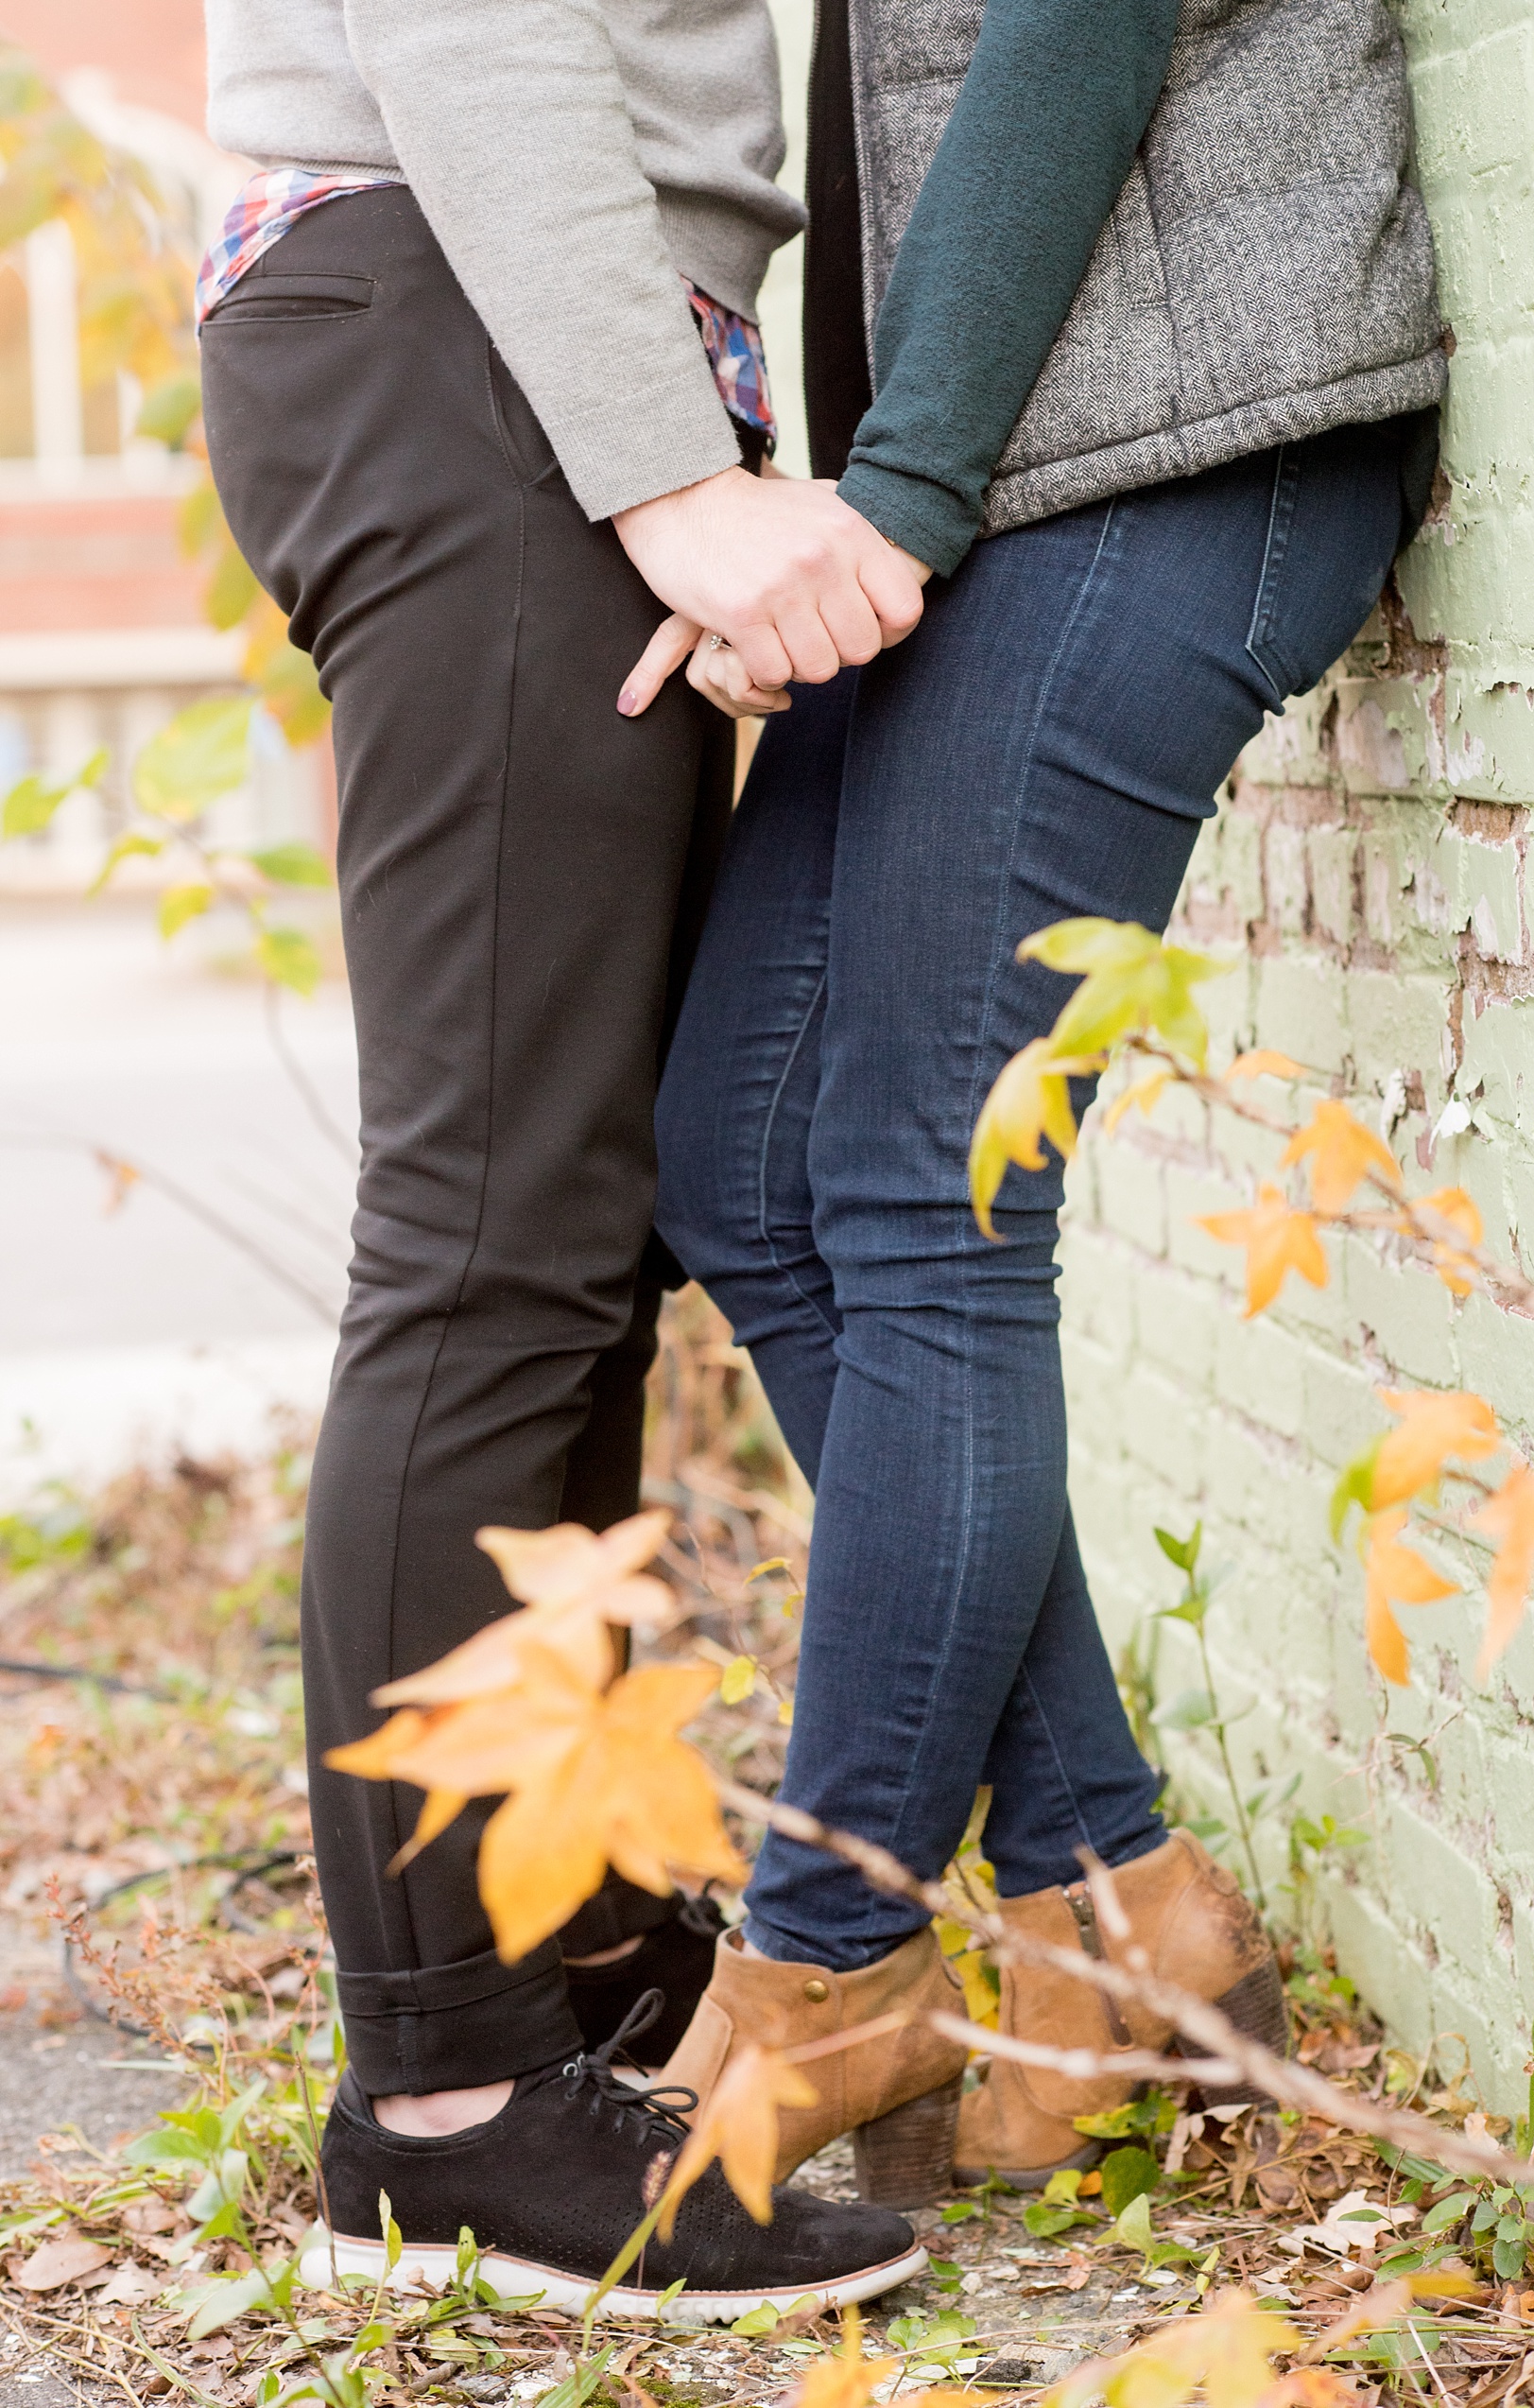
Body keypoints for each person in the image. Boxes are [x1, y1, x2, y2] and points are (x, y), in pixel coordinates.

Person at [638, 0, 1448, 2197]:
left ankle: (831, 1955)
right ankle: (1121, 1904)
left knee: (926, 1186)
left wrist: (892, 492)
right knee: (738, 1150)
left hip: (1184, 432)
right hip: (1010, 448)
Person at [198, 0, 929, 2316]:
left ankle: (571, 1954)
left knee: (574, 1230)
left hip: (528, 318)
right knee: (494, 1238)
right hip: (474, 313)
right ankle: (441, 2095)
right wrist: (669, 468)